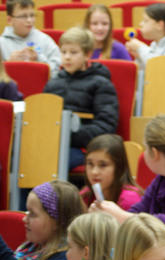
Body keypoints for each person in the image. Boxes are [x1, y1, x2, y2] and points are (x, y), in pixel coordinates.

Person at [42, 27, 118, 170]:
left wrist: (68, 135)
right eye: (63, 52)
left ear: (87, 54)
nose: (67, 57)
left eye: (73, 52)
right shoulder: (53, 83)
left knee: (49, 163)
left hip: (83, 149)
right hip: (52, 145)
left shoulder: (101, 84)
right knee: (26, 160)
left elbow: (106, 126)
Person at [80, 134, 142, 210]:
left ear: (118, 167)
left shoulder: (129, 200)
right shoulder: (86, 194)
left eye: (103, 165)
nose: (94, 172)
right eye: (90, 164)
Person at [0, 0, 60, 73]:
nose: (29, 20)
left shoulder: (44, 39)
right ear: (9, 20)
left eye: (32, 15)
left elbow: (58, 70)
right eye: (23, 16)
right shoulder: (2, 43)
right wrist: (9, 65)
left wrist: (39, 59)